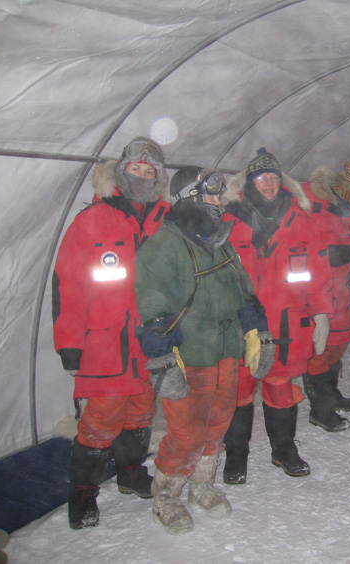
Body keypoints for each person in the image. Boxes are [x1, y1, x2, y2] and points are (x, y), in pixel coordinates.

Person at [134, 166, 270, 534]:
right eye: (209, 195)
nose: (216, 201)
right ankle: (166, 496)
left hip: (225, 353)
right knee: (186, 433)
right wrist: (163, 361)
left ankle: (201, 486)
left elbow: (244, 292)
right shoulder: (163, 246)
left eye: (217, 194)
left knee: (216, 427)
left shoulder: (219, 242)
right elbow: (152, 308)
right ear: (188, 198)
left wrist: (260, 333)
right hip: (190, 357)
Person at [52, 136, 170, 529]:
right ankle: (82, 494)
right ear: (122, 170)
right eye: (135, 168)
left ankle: (131, 473)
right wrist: (69, 343)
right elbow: (68, 285)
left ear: (158, 178)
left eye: (149, 171)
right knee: (101, 420)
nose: (141, 175)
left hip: (150, 338)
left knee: (141, 411)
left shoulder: (166, 220)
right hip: (106, 342)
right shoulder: (92, 221)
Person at [221, 147, 334, 484]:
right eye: (261, 177)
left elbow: (317, 272)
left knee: (280, 389)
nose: (268, 183)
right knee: (238, 393)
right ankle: (236, 456)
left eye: (273, 177)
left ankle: (283, 449)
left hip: (285, 325)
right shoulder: (229, 220)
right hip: (242, 326)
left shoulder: (301, 220)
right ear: (250, 182)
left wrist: (322, 315)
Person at [299, 165, 350, 432]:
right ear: (340, 189)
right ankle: (320, 410)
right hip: (319, 292)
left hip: (344, 290)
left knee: (336, 348)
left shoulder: (345, 207)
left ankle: (331, 395)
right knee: (318, 353)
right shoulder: (310, 206)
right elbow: (330, 253)